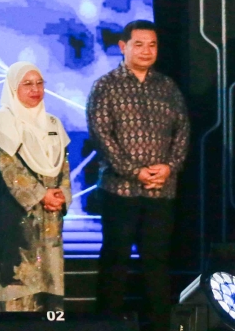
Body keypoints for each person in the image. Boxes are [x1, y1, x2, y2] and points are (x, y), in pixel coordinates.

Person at [86, 20, 190, 331]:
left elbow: (183, 131)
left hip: (162, 191)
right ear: (123, 46)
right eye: (139, 44)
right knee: (115, 263)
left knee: (157, 265)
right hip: (120, 191)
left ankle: (159, 326)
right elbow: (101, 134)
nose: (146, 51)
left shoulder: (168, 87)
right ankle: (107, 326)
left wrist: (170, 167)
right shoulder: (106, 86)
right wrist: (136, 172)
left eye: (152, 45)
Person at [0, 62, 71, 313]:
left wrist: (60, 195)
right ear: (13, 88)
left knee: (49, 285)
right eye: (27, 84)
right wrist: (41, 195)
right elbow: (10, 171)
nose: (35, 89)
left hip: (51, 219)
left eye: (39, 83)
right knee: (19, 289)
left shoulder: (53, 123)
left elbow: (64, 166)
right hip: (17, 220)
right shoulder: (5, 123)